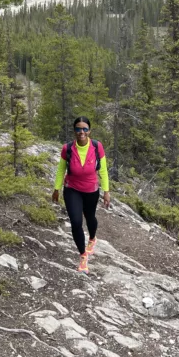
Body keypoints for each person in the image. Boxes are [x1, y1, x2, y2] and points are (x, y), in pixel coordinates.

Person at [52, 117, 110, 274]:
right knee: (76, 221)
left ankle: (92, 238)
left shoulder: (97, 147)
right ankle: (83, 255)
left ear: (89, 131)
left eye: (85, 129)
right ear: (74, 131)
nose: (81, 132)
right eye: (78, 129)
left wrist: (106, 191)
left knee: (90, 217)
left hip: (91, 189)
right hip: (72, 189)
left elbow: (103, 170)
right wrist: (56, 189)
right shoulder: (68, 149)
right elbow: (60, 170)